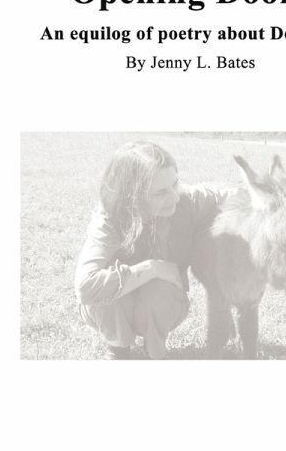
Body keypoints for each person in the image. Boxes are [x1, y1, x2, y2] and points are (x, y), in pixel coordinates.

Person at [75, 141, 229, 359]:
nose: (174, 197)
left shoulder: (188, 200)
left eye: (175, 184)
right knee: (108, 291)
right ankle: (118, 349)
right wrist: (153, 268)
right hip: (117, 307)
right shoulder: (109, 218)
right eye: (160, 193)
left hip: (165, 301)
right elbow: (86, 287)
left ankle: (154, 351)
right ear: (131, 197)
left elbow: (235, 194)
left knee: (159, 290)